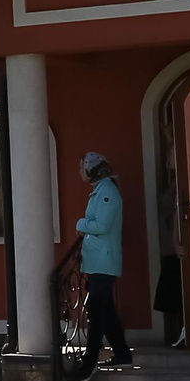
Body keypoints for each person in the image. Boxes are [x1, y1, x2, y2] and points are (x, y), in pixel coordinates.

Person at [77, 151, 130, 366]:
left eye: (82, 168)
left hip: (104, 262)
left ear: (91, 170)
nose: (80, 172)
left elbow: (102, 225)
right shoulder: (101, 191)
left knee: (97, 312)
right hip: (99, 261)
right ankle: (122, 354)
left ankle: (89, 360)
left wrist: (80, 224)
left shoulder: (106, 191)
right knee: (105, 312)